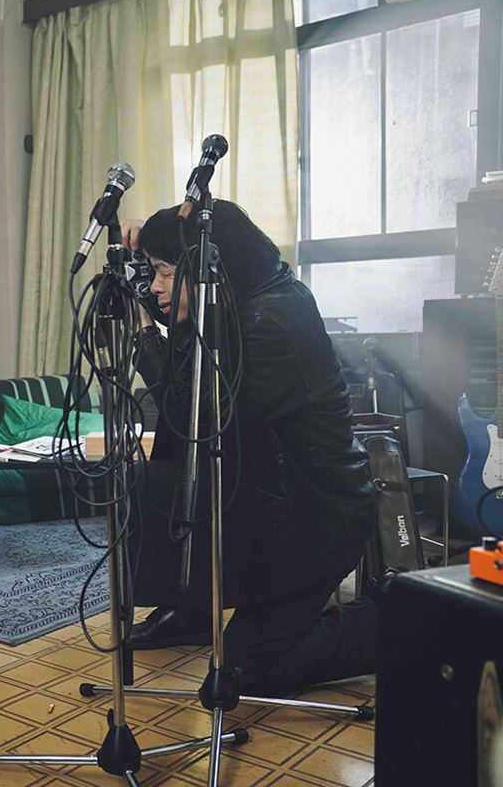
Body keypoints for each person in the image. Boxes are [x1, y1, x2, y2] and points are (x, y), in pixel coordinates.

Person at [121, 200, 380, 697]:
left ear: (212, 266)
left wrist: (144, 336)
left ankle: (399, 614)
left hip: (314, 521)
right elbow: (184, 385)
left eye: (165, 272)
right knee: (148, 481)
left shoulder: (271, 321)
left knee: (244, 674)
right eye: (153, 272)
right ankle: (192, 609)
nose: (154, 287)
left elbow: (195, 418)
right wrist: (143, 256)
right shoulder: (236, 303)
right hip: (268, 507)